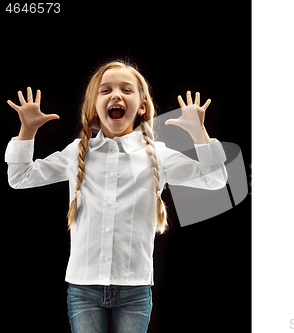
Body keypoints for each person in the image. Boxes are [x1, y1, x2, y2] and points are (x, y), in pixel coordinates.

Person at [5, 60, 228, 333]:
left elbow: (215, 180)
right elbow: (20, 178)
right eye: (105, 90)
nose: (116, 95)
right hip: (83, 287)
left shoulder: (158, 155)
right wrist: (27, 132)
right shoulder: (76, 153)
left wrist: (198, 133)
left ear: (142, 106)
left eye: (127, 89)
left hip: (135, 289)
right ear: (95, 107)